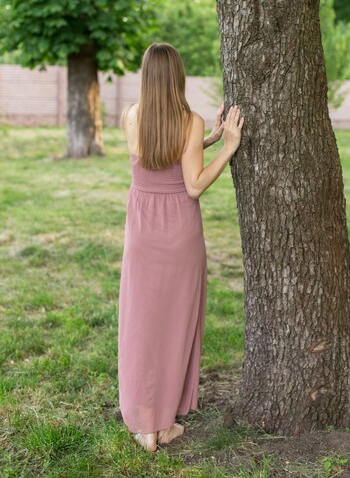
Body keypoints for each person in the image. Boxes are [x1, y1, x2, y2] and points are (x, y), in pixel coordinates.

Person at [118, 42, 244, 452]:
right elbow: (191, 184)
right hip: (179, 233)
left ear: (145, 76)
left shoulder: (130, 116)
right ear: (177, 76)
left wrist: (205, 140)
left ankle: (144, 425)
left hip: (142, 231)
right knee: (175, 323)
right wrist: (227, 146)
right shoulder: (188, 119)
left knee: (141, 323)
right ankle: (165, 422)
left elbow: (159, 156)